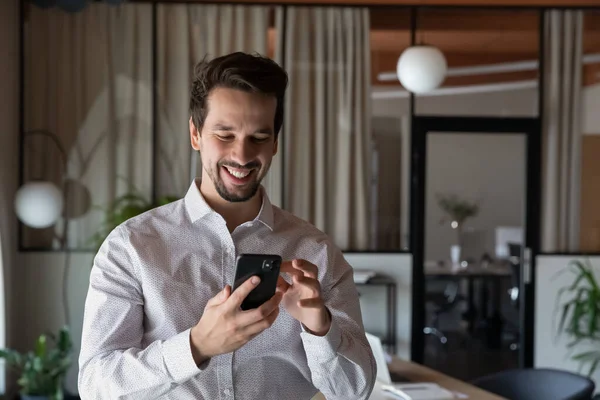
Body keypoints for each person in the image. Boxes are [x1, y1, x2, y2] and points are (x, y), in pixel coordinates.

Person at [78, 52, 376, 400]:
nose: (242, 155)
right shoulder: (131, 246)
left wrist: (320, 327)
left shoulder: (317, 253)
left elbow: (355, 391)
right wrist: (196, 345)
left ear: (276, 143)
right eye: (225, 134)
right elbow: (95, 385)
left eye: (259, 137)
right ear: (195, 133)